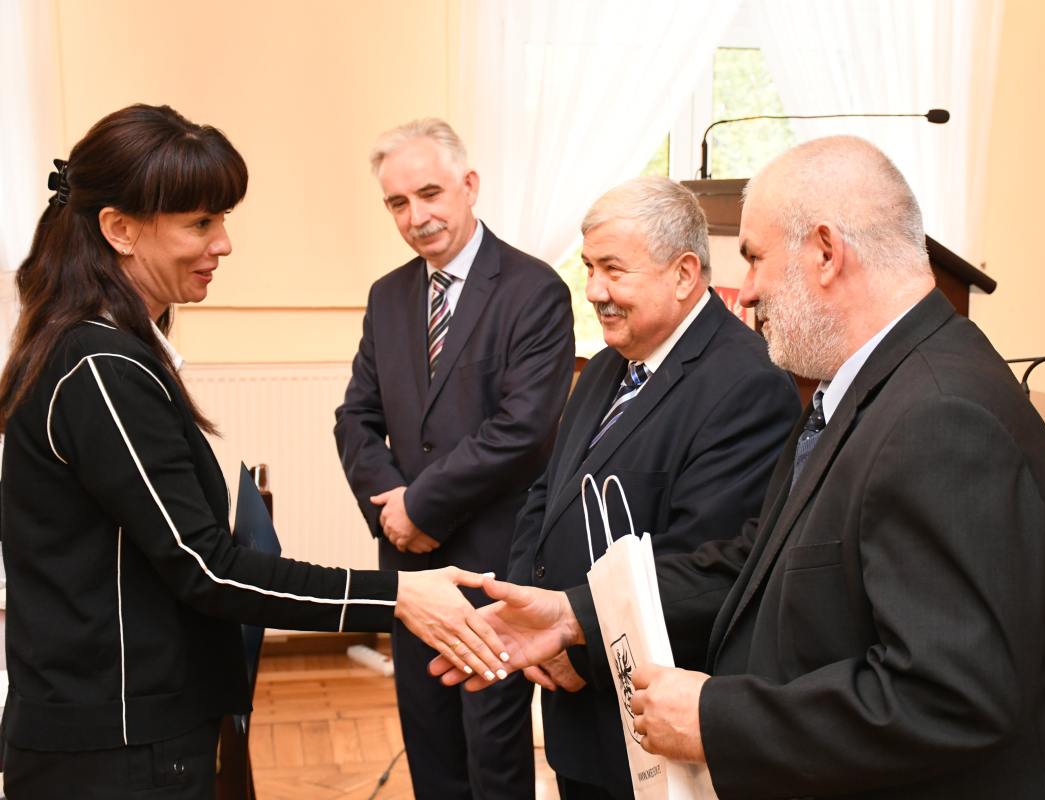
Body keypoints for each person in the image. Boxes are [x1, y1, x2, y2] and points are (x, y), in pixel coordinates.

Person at [434, 136, 1045, 799]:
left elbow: (949, 698)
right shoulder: (864, 391)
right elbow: (749, 562)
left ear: (825, 253)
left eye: (755, 259)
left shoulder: (941, 417)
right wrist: (574, 614)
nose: (748, 291)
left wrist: (715, 720)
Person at [0, 104, 509, 800]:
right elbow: (208, 567)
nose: (224, 243)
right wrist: (396, 595)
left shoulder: (100, 352)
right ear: (119, 229)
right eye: (200, 223)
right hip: (116, 746)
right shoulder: (101, 368)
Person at [506, 176, 799, 799]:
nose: (593, 291)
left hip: (651, 728)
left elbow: (710, 563)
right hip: (575, 713)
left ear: (684, 273)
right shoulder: (605, 365)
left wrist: (573, 640)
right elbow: (547, 495)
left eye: (613, 269)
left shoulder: (746, 384)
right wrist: (530, 611)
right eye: (589, 268)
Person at [334, 118, 574, 800]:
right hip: (410, 568)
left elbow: (522, 430)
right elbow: (356, 417)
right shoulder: (387, 296)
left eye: (430, 194)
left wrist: (420, 506)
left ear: (469, 185)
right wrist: (393, 515)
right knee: (430, 748)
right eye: (397, 203)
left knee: (493, 758)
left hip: (494, 568)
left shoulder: (534, 290)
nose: (416, 217)